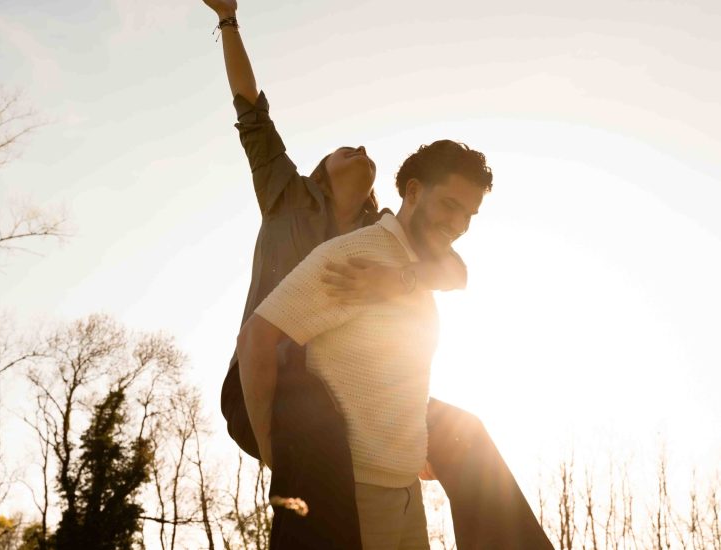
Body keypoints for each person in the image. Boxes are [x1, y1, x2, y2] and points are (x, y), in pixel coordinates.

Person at [202, 1, 554, 549]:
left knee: (467, 433)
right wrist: (228, 19)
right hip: (269, 375)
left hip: (347, 385)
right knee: (317, 418)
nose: (362, 149)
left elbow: (456, 273)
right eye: (348, 149)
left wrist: (401, 282)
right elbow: (251, 110)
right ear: (321, 172)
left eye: (367, 152)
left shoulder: (383, 237)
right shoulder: (287, 198)